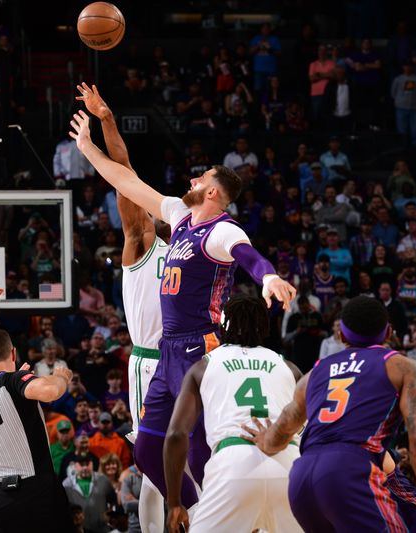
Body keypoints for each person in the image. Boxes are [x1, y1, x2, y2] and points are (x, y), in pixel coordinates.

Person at [69, 88, 295, 504]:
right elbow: (125, 179)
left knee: (198, 445)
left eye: (201, 178)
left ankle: (222, 516)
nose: (192, 179)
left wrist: (267, 278)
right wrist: (88, 145)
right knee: (147, 450)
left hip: (201, 344)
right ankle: (191, 510)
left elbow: (249, 256)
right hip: (167, 349)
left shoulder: (223, 230)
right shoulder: (178, 214)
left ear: (212, 193)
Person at [242, 296, 416, 532]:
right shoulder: (402, 366)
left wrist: (263, 439)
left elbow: (277, 436)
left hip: (302, 479)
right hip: (350, 471)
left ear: (341, 336)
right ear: (389, 332)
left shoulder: (313, 374)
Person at [77, 82, 169, 532]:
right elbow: (124, 173)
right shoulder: (143, 241)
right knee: (153, 463)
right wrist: (107, 120)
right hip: (152, 362)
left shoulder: (198, 249)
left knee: (201, 454)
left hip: (195, 358)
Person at [164, 295, 303, 533]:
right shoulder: (289, 368)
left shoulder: (204, 365)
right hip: (289, 464)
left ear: (223, 324)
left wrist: (175, 502)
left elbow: (177, 435)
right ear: (264, 327)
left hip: (233, 464)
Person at [0, 329, 73, 533]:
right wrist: (61, 378)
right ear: (13, 353)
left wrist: (21, 380)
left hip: (2, 498)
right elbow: (50, 392)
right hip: (38, 494)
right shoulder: (14, 382)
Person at [63, 457, 117, 533]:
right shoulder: (66, 484)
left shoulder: (103, 479)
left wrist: (110, 515)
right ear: (75, 466)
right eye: (81, 464)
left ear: (92, 464)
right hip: (78, 530)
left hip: (102, 528)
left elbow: (113, 500)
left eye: (87, 464)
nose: (85, 467)